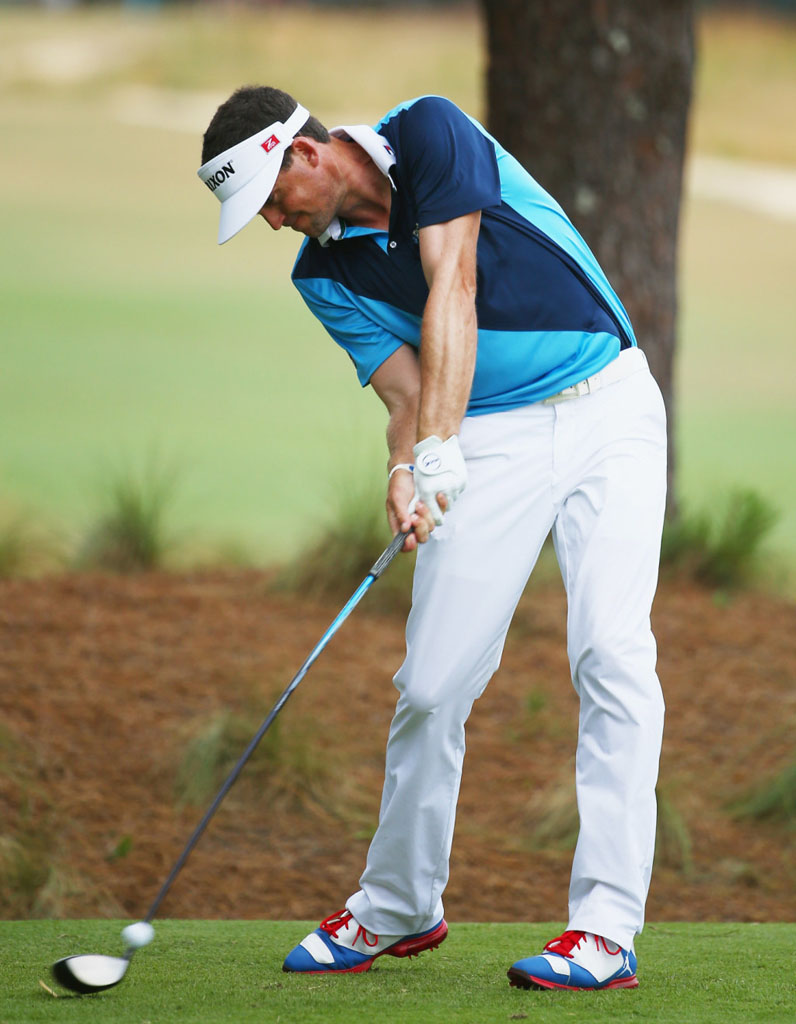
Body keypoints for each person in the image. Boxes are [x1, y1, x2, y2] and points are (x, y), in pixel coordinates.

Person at [197, 86, 667, 992]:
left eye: (268, 200)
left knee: (612, 653)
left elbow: (457, 280)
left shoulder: (429, 133)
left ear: (303, 152)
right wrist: (407, 471)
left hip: (608, 404)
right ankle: (401, 903)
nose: (270, 224)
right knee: (431, 683)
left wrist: (444, 446)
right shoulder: (319, 278)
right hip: (485, 433)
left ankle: (605, 930)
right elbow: (408, 398)